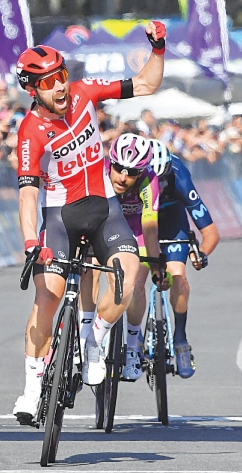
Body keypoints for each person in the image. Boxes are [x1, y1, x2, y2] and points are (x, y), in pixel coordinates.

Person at [12, 20, 167, 425]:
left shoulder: (84, 94)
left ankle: (93, 341)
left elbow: (146, 85)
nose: (60, 87)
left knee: (128, 274)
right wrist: (31, 241)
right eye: (48, 83)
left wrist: (159, 48)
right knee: (48, 296)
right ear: (33, 90)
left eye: (61, 76)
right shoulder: (31, 131)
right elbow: (28, 193)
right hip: (60, 215)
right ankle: (31, 389)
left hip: (104, 209)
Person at [79, 133, 170, 382]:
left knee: (137, 283)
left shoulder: (148, 180)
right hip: (102, 223)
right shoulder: (99, 169)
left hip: (134, 229)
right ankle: (85, 331)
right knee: (91, 266)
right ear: (112, 162)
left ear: (141, 172)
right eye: (119, 168)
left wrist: (154, 266)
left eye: (132, 172)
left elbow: (150, 225)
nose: (123, 177)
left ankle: (131, 347)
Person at [149, 138, 220, 378]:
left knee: (177, 277)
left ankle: (180, 339)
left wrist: (201, 254)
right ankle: (133, 337)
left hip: (171, 220)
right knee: (135, 278)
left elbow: (210, 233)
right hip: (139, 218)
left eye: (161, 180)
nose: (156, 185)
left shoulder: (180, 178)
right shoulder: (131, 176)